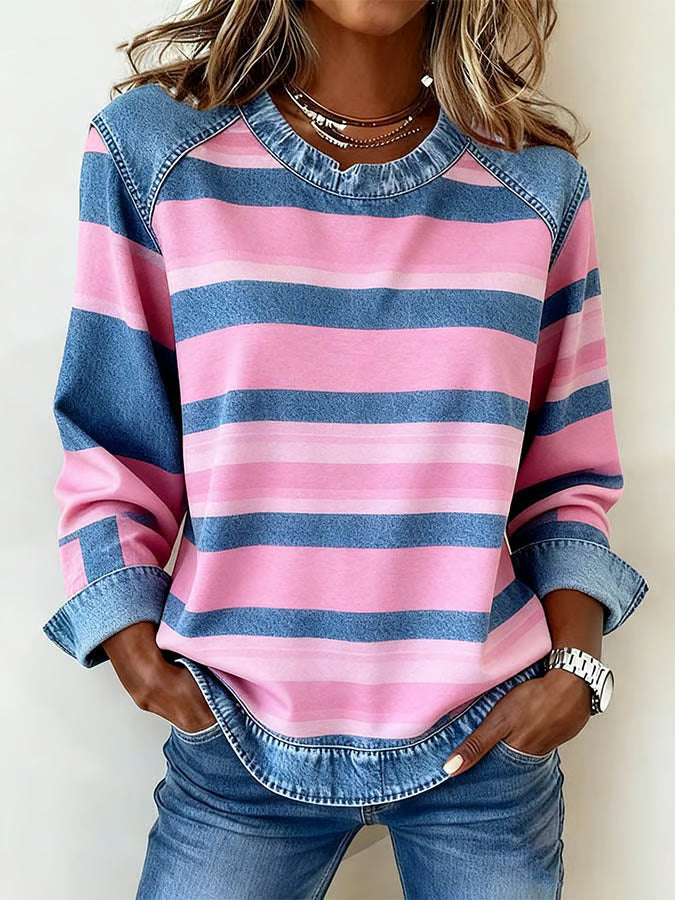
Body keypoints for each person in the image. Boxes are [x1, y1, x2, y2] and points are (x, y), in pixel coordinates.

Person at [43, 1, 650, 897]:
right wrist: (132, 646)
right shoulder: (156, 154)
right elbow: (113, 438)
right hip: (235, 739)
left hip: (487, 744)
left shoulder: (535, 185)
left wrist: (574, 673)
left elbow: (564, 479)